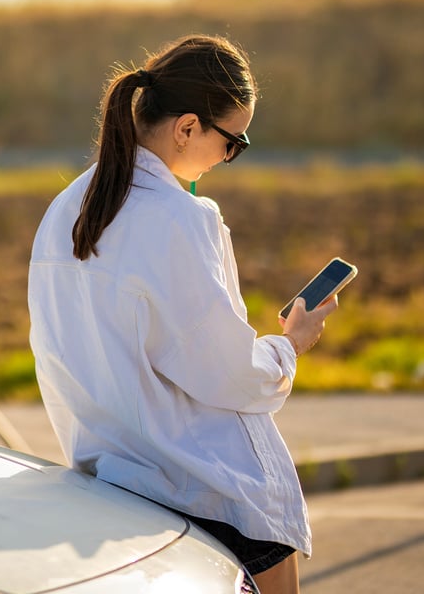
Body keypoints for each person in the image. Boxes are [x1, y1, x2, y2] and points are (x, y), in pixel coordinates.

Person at [28, 34, 336, 594]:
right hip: (199, 486)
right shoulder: (178, 217)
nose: (228, 157)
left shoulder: (66, 208)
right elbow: (228, 373)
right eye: (233, 141)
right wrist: (290, 345)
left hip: (106, 479)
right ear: (188, 126)